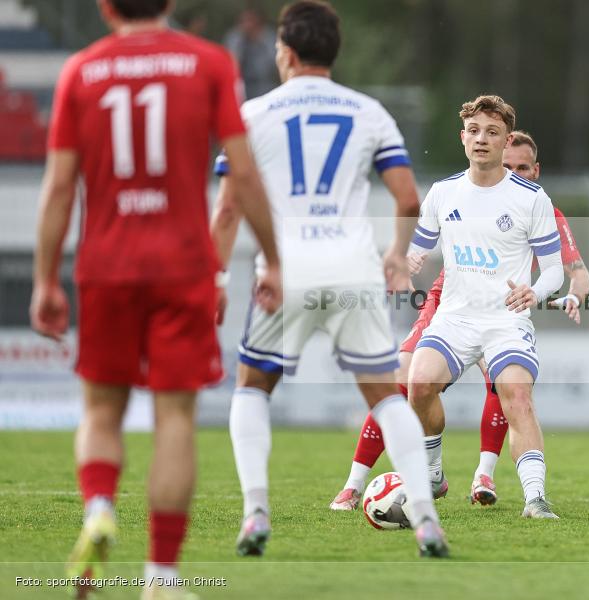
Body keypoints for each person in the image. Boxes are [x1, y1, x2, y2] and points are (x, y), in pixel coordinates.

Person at [30, 1, 282, 599]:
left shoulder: (81, 70)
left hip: (107, 265)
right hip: (183, 266)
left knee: (101, 412)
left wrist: (45, 279)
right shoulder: (209, 63)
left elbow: (60, 186)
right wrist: (275, 257)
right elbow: (242, 175)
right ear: (169, 3)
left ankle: (97, 507)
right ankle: (160, 579)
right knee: (174, 419)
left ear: (105, 6)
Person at [210, 0, 448, 558]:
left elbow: (226, 209)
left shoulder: (253, 112)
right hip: (352, 268)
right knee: (387, 397)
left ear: (286, 53)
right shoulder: (369, 112)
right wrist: (395, 254)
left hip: (284, 268)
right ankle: (427, 520)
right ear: (333, 54)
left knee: (252, 388)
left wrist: (217, 277)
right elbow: (408, 196)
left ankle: (256, 514)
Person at [330, 131, 589, 511]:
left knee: (507, 388)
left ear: (536, 171)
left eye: (523, 167)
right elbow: (425, 245)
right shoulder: (460, 191)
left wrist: (573, 296)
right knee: (405, 380)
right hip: (449, 302)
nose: (514, 172)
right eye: (508, 165)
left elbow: (576, 272)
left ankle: (486, 474)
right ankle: (355, 483)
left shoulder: (542, 208)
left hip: (505, 308)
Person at [408, 94, 563, 519]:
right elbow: (416, 248)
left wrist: (536, 291)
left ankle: (535, 499)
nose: (482, 139)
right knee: (418, 386)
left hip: (505, 322)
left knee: (517, 397)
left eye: (492, 132)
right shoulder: (441, 193)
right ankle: (434, 472)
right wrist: (407, 261)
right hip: (454, 319)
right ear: (462, 138)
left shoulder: (532, 199)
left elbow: (553, 271)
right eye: (474, 131)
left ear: (505, 139)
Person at [224, 6, 278, 100]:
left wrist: (259, 40)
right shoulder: (235, 37)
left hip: (265, 84)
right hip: (242, 85)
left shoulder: (269, 36)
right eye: (244, 21)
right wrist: (242, 41)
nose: (248, 24)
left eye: (251, 20)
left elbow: (274, 63)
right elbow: (231, 64)